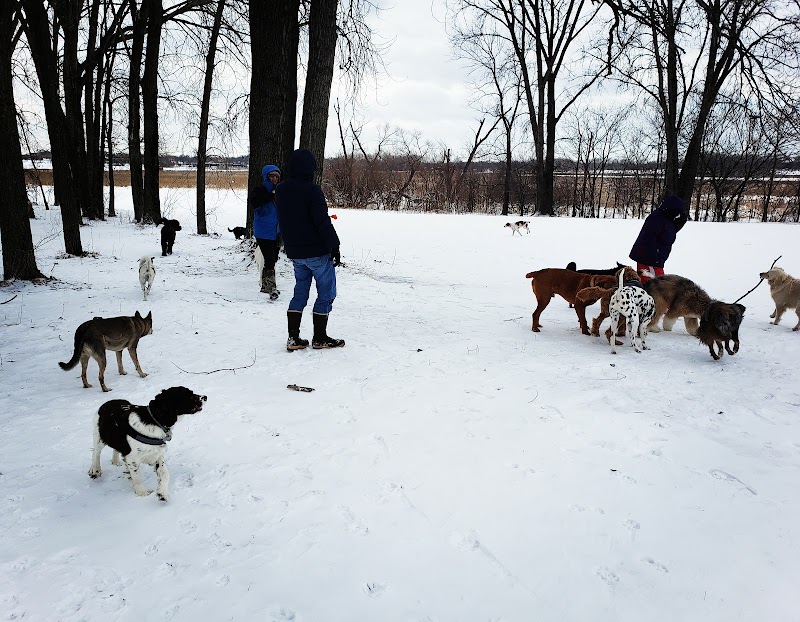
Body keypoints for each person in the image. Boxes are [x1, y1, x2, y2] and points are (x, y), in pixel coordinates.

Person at [275, 149, 344, 351]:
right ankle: (320, 337)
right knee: (326, 293)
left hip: (295, 252)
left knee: (300, 293)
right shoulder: (312, 191)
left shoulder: (281, 190)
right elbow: (322, 221)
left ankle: (293, 338)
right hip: (317, 252)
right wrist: (335, 244)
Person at [629, 194, 688, 282]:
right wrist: (654, 259)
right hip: (649, 260)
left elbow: (668, 233)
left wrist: (681, 221)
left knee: (655, 285)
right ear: (672, 209)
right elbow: (648, 238)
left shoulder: (667, 219)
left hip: (655, 260)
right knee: (655, 285)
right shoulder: (657, 219)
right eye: (678, 212)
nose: (678, 214)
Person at [249, 165, 281, 299]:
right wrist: (271, 195)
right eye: (271, 176)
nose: (274, 179)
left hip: (276, 231)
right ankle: (271, 287)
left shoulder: (281, 191)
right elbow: (254, 203)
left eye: (276, 176)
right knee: (270, 259)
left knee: (273, 258)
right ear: (266, 177)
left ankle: (265, 284)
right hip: (263, 231)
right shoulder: (259, 191)